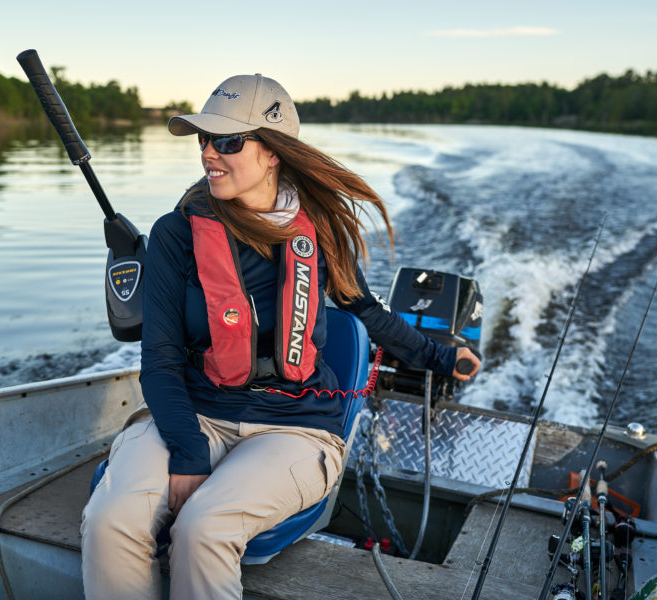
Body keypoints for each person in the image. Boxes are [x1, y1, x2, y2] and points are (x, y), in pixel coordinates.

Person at [80, 73, 481, 600]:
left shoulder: (320, 232)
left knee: (204, 527)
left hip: (295, 428)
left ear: (273, 153)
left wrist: (438, 357)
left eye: (227, 141)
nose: (208, 154)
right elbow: (159, 358)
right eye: (204, 139)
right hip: (194, 411)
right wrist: (189, 451)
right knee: (111, 521)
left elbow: (366, 311)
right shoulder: (178, 232)